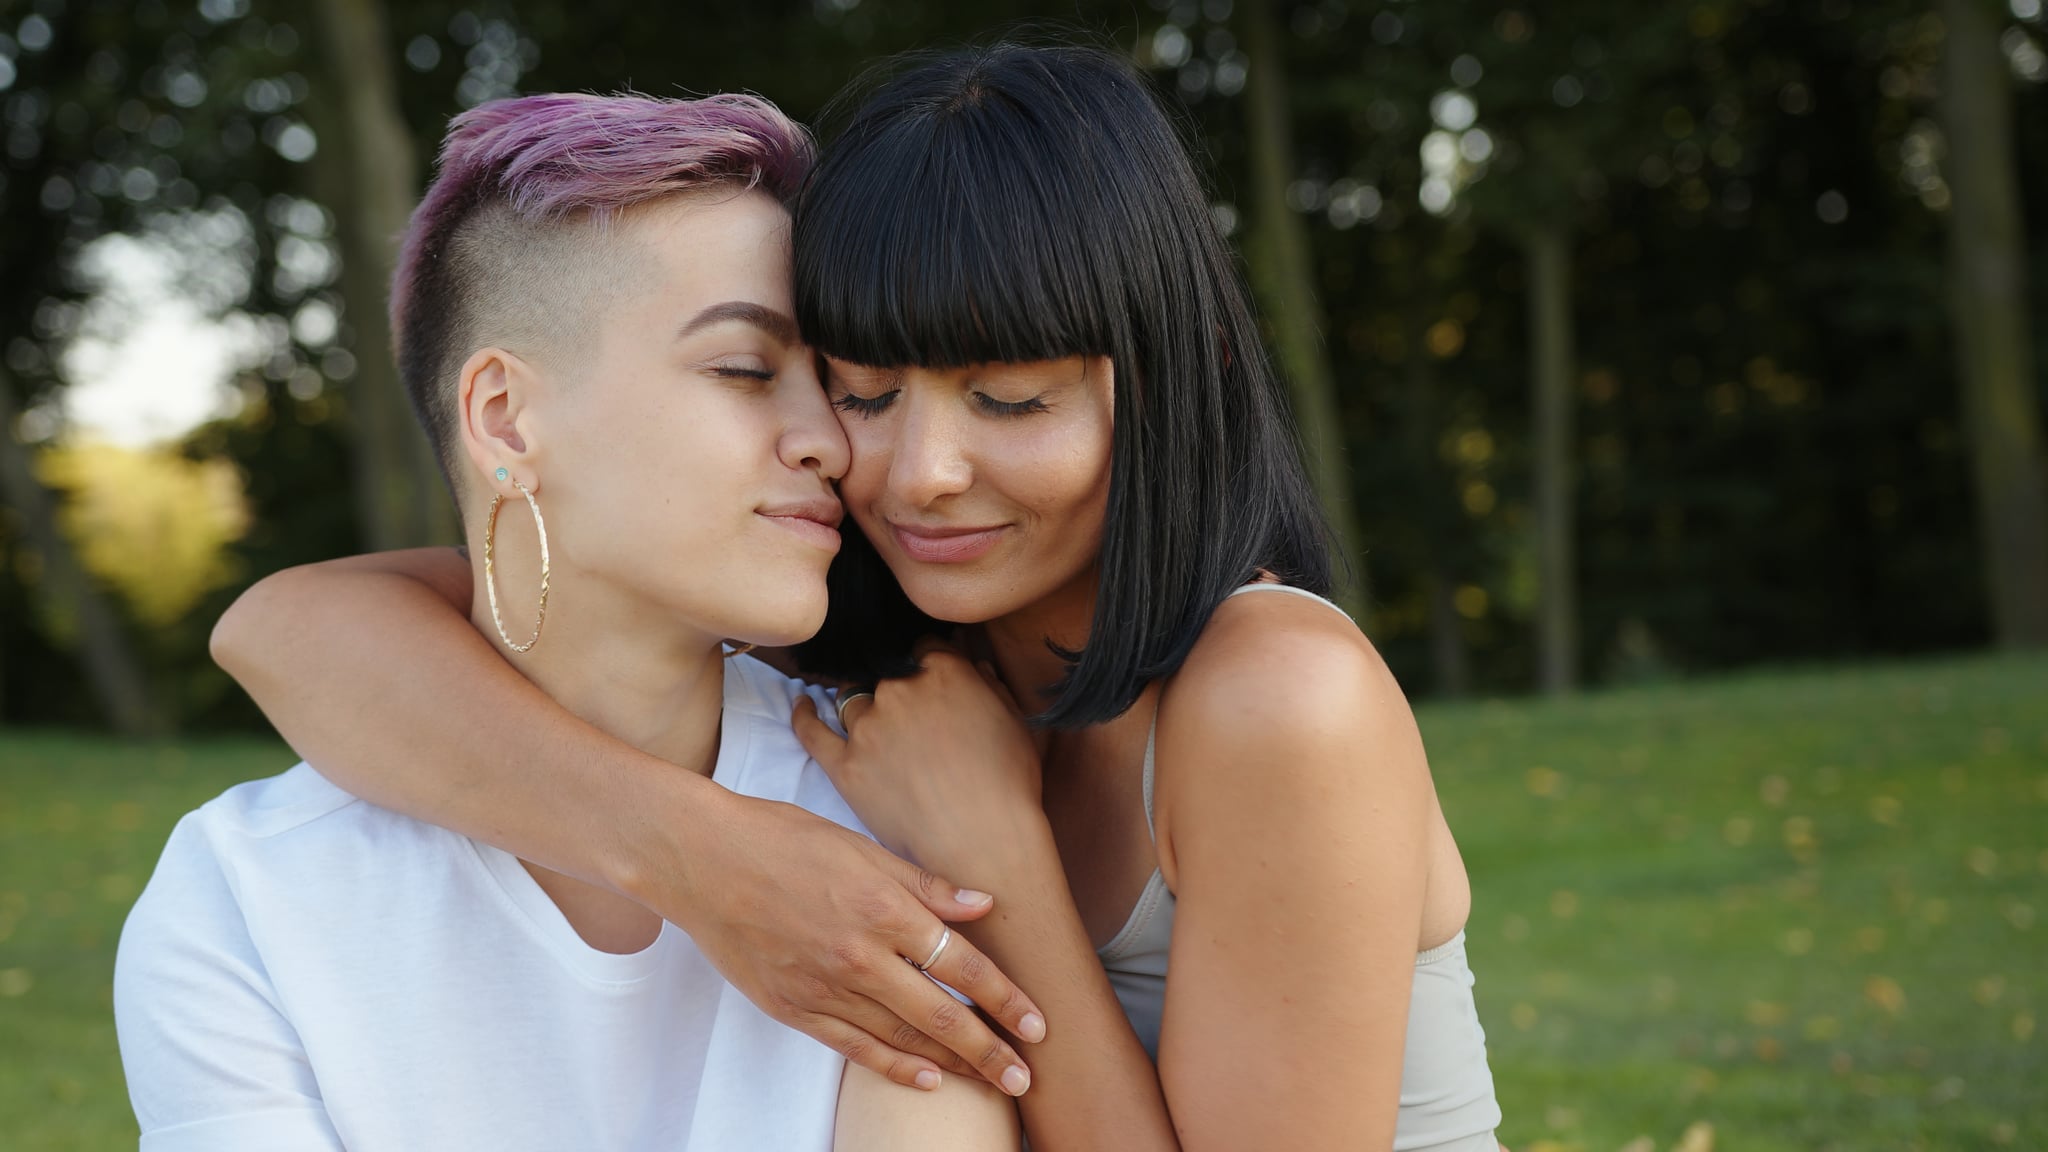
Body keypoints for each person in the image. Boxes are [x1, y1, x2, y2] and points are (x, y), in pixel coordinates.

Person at [212, 44, 1503, 1150]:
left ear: (1179, 378)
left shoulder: (1277, 694)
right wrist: (704, 857)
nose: (919, 476)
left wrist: (998, 860)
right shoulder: (880, 632)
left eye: (1011, 401)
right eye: (866, 393)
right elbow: (289, 630)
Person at [114, 91, 1020, 1151]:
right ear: (506, 418)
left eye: (833, 381)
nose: (829, 438)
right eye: (744, 369)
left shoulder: (913, 804)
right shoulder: (249, 898)